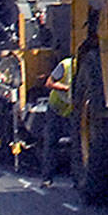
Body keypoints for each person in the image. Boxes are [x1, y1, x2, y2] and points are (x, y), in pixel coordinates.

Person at [40, 56, 74, 187]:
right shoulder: (66, 65)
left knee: (76, 145)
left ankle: (75, 179)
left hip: (70, 111)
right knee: (50, 143)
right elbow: (49, 83)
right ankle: (47, 178)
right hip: (55, 109)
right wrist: (66, 88)